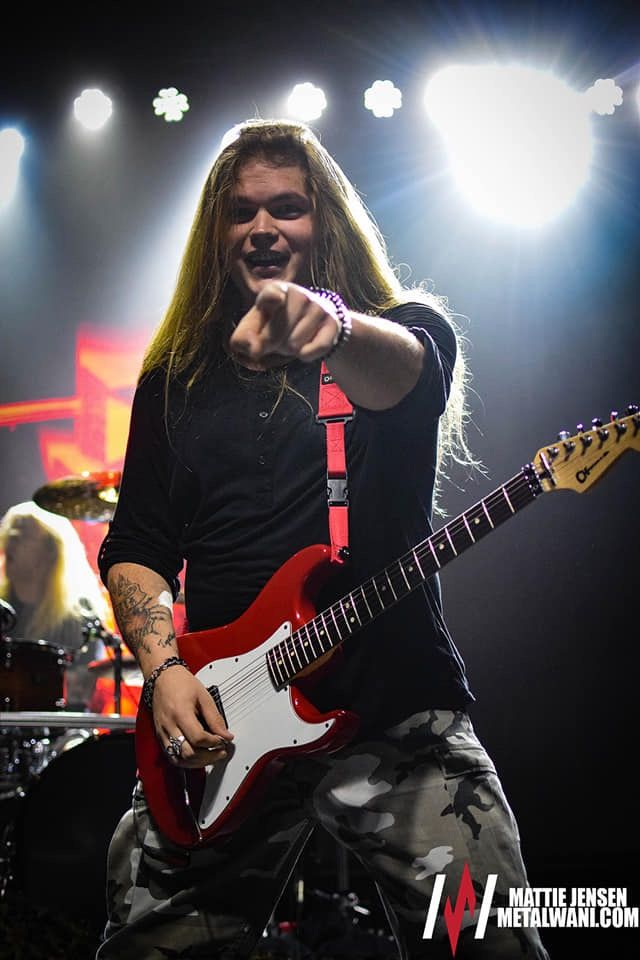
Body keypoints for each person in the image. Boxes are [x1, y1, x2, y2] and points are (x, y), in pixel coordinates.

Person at [96, 119, 549, 959]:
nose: (263, 227)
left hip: (393, 713)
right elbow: (137, 543)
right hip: (224, 727)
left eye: (288, 208)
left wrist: (331, 324)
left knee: (495, 943)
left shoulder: (395, 333)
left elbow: (413, 374)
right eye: (241, 214)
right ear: (217, 235)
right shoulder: (175, 379)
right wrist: (163, 673)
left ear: (326, 221)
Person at [0, 500, 109, 711]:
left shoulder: (81, 615)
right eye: (10, 533)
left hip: (60, 731)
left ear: (51, 550)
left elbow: (85, 686)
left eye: (23, 534)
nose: (11, 539)